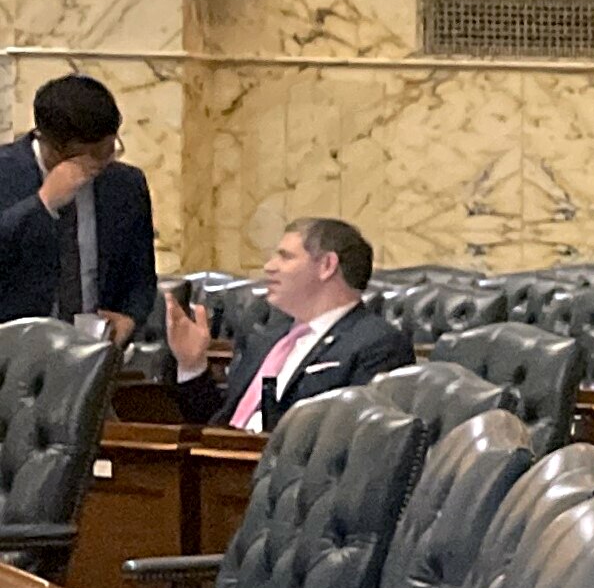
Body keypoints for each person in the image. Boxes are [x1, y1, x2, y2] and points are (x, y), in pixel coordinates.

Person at [164, 217, 412, 430]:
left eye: (285, 257)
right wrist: (192, 365)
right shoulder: (265, 338)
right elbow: (217, 427)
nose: (269, 267)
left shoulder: (378, 344)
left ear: (327, 265)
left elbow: (356, 439)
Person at [0, 74, 159, 340]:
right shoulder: (5, 172)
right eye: (95, 153)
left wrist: (130, 318)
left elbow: (141, 279)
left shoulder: (126, 184)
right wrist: (42, 204)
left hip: (95, 352)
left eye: (111, 147)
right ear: (54, 148)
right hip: (12, 355)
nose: (107, 159)